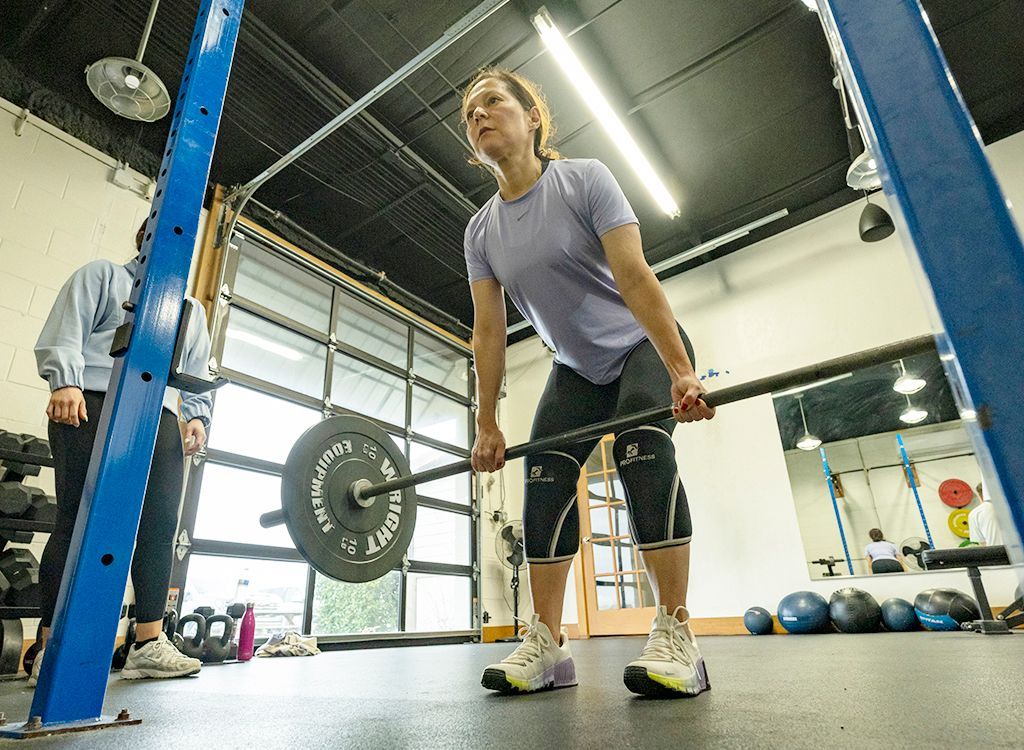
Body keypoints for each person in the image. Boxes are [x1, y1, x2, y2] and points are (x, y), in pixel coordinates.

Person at [462, 67, 714, 697]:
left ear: (532, 117)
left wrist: (682, 369)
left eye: (492, 102)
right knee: (544, 475)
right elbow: (488, 333)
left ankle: (677, 631)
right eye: (470, 114)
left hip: (641, 347)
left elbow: (633, 275)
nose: (480, 115)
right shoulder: (480, 231)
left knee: (642, 448)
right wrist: (486, 422)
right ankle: (547, 643)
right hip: (575, 368)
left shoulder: (583, 179)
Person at [31, 220, 213, 684]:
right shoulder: (102, 276)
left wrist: (196, 416)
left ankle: (148, 642)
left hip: (160, 418)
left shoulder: (189, 310)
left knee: (158, 526)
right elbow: (65, 331)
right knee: (75, 519)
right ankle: (49, 646)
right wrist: (65, 381)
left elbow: (196, 370)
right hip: (89, 403)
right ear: (145, 237)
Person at [969, 481, 1003, 546]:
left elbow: (982, 543)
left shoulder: (975, 514)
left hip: (996, 553)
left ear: (980, 495)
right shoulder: (1011, 507)